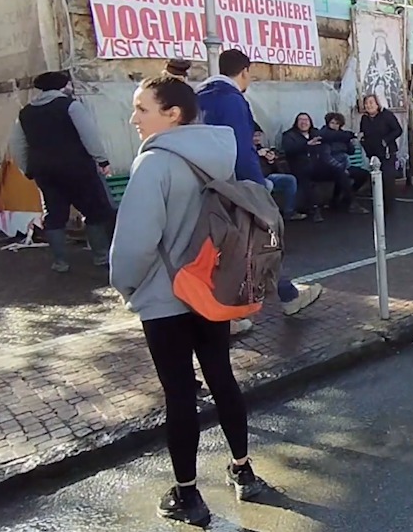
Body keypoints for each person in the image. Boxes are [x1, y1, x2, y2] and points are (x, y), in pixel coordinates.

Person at [110, 75, 265, 526]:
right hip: (211, 289)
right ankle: (243, 470)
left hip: (164, 298)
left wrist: (127, 287)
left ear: (173, 113)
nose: (134, 119)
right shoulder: (219, 156)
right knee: (222, 377)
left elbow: (135, 244)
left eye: (142, 109)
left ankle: (187, 495)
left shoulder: (154, 164)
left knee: (179, 394)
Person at [195, 49, 321, 323]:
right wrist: (257, 188)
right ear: (244, 71)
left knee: (230, 248)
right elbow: (241, 148)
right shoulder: (233, 100)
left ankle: (285, 295)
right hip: (235, 185)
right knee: (258, 244)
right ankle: (246, 310)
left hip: (206, 183)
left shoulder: (198, 98)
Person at [8, 71, 114, 272]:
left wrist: (27, 169)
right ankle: (101, 256)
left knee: (54, 215)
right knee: (94, 211)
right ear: (63, 86)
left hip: (45, 171)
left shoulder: (25, 113)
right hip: (77, 168)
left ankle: (60, 262)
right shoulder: (71, 106)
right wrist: (102, 159)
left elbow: (17, 144)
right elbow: (89, 135)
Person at [282, 113, 355, 222]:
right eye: (301, 120)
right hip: (300, 168)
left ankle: (350, 203)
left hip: (317, 166)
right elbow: (289, 150)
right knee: (306, 177)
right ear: (296, 122)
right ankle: (314, 209)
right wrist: (307, 145)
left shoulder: (315, 133)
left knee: (339, 171)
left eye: (306, 120)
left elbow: (333, 135)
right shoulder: (289, 135)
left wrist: (351, 135)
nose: (304, 122)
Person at [359, 94, 404, 208]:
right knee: (376, 180)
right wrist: (363, 142)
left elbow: (398, 130)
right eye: (366, 103)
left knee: (387, 179)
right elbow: (363, 133)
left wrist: (386, 140)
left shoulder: (386, 115)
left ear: (377, 104)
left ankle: (388, 206)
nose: (369, 105)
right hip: (373, 154)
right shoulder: (364, 119)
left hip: (387, 153)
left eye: (371, 102)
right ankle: (378, 204)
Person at [252, 124, 304, 221]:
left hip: (268, 176)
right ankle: (264, 216)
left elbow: (276, 170)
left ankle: (289, 212)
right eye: (254, 136)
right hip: (254, 178)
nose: (257, 138)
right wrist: (256, 155)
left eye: (259, 135)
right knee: (268, 184)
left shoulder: (262, 148)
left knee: (290, 180)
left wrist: (271, 161)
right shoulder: (246, 151)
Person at [321, 112, 370, 194]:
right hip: (330, 167)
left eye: (337, 123)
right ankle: (344, 197)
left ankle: (351, 193)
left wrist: (350, 144)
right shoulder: (325, 134)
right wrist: (352, 135)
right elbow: (327, 158)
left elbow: (351, 151)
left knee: (364, 174)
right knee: (342, 178)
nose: (335, 125)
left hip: (345, 165)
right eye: (332, 123)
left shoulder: (344, 136)